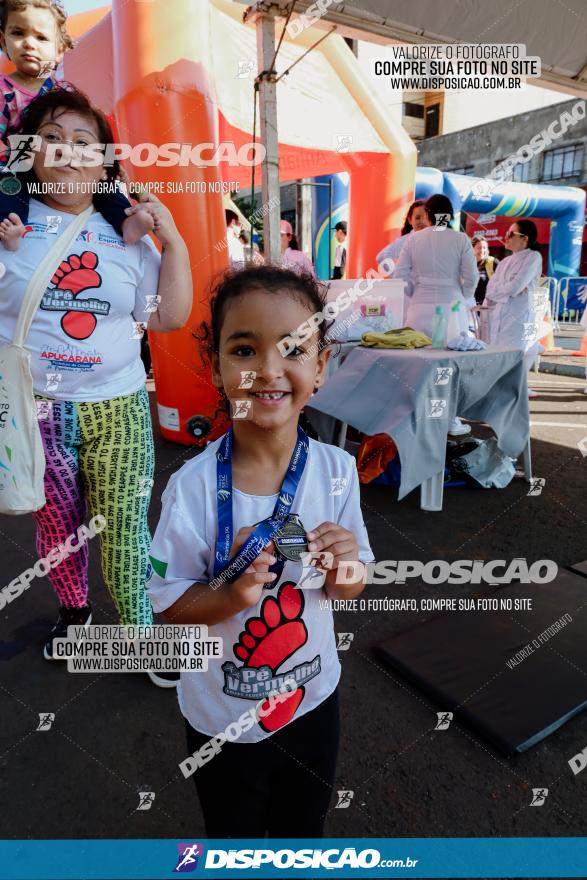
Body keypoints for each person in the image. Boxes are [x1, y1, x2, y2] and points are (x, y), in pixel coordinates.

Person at [146, 265, 373, 837]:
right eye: (244, 349)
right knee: (234, 840)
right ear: (217, 367)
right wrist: (228, 595)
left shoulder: (338, 471)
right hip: (222, 717)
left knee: (304, 834)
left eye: (294, 349)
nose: (268, 370)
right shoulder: (192, 488)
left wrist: (345, 566)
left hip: (313, 699)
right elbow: (168, 607)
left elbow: (352, 583)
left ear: (320, 367)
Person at [0, 87, 192, 681]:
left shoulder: (128, 235)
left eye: (83, 142)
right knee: (56, 522)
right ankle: (74, 612)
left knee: (127, 528)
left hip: (119, 404)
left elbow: (166, 315)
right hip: (37, 409)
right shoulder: (8, 225)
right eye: (51, 138)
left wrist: (173, 241)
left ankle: (139, 630)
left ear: (106, 161)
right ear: (26, 153)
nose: (66, 151)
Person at [0, 0, 153, 250]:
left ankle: (125, 221)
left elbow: (92, 133)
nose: (29, 43)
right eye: (18, 33)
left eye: (41, 37)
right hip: (18, 160)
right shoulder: (3, 89)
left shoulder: (63, 93)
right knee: (7, 185)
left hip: (61, 159)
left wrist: (112, 167)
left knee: (101, 183)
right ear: (3, 40)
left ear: (59, 50)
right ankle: (11, 224)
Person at [394, 193, 479, 435]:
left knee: (416, 364)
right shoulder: (460, 239)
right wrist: (461, 295)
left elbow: (400, 277)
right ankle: (449, 419)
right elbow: (471, 277)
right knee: (449, 365)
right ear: (449, 214)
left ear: (429, 215)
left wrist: (416, 290)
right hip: (451, 308)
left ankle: (414, 416)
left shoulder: (413, 240)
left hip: (419, 308)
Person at [485, 219, 543, 395]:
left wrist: (507, 289)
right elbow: (490, 290)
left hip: (519, 318)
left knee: (514, 364)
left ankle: (513, 412)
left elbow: (515, 286)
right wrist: (509, 289)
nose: (506, 237)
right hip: (500, 317)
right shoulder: (504, 262)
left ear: (524, 238)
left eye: (511, 234)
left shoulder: (533, 257)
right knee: (499, 363)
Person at [376, 199, 429, 270]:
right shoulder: (404, 241)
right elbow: (381, 257)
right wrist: (397, 272)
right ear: (410, 220)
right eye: (417, 218)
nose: (422, 221)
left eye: (426, 218)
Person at [472, 235, 499, 304]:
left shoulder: (493, 262)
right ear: (472, 249)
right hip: (470, 306)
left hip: (488, 307)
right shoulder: (467, 264)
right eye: (479, 248)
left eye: (484, 248)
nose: (482, 250)